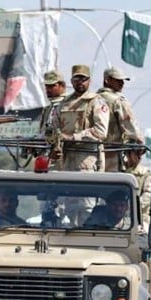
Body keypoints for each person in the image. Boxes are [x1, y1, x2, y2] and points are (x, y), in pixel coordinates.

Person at [49, 64, 110, 225]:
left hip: (87, 162)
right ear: (71, 81)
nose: (80, 82)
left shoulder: (96, 102)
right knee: (66, 210)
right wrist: (54, 143)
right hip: (65, 164)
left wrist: (74, 137)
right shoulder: (64, 104)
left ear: (89, 81)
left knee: (86, 209)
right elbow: (53, 129)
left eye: (83, 79)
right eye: (77, 79)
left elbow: (101, 131)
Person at [97, 67, 145, 171]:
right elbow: (132, 130)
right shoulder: (118, 101)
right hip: (111, 156)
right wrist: (140, 148)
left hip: (90, 154)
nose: (122, 83)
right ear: (107, 80)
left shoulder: (92, 99)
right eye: (118, 80)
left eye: (122, 81)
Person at [123, 145, 151, 231]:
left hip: (140, 217)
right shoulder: (120, 170)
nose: (139, 156)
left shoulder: (145, 173)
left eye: (141, 154)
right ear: (127, 154)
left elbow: (148, 196)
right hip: (118, 214)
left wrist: (131, 207)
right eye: (136, 153)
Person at [39, 70, 67, 140]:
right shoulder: (48, 107)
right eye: (46, 86)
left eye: (52, 86)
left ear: (62, 86)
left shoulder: (68, 105)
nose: (48, 89)